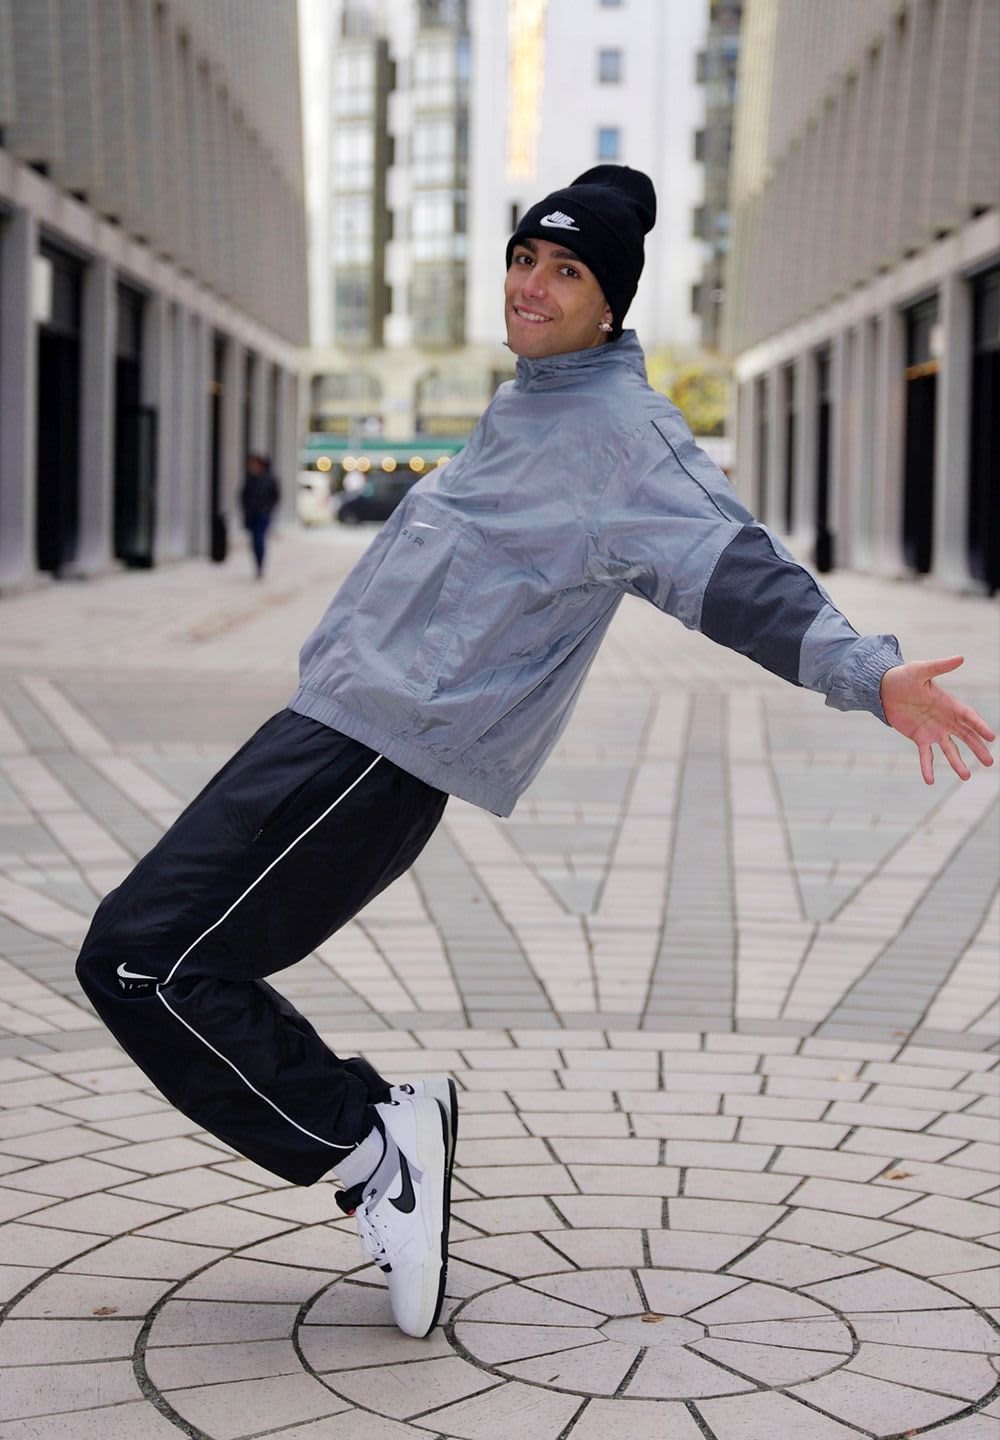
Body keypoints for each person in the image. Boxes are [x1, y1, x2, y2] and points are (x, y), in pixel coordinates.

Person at [75, 166, 995, 1341]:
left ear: (611, 304)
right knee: (165, 961)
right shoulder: (537, 400)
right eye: (524, 258)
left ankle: (369, 1149)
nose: (533, 286)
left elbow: (732, 569)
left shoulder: (622, 435)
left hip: (368, 758)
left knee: (145, 963)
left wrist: (870, 675)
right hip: (329, 732)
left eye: (567, 272)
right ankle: (374, 1127)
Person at [240, 452, 280, 578]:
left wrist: (268, 509)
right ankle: (257, 564)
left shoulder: (269, 479)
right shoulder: (250, 478)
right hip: (251, 515)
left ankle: (260, 566)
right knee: (254, 541)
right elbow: (243, 496)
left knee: (259, 539)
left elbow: (276, 496)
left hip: (263, 515)